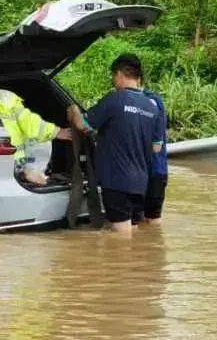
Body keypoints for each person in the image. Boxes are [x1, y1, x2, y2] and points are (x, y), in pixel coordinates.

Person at [67, 54, 164, 234]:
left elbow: (83, 125)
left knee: (120, 236)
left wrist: (73, 110)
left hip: (117, 181)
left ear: (119, 74)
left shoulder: (115, 99)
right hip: (141, 182)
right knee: (133, 229)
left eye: (114, 76)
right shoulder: (151, 107)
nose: (113, 80)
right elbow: (155, 146)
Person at [0, 85, 71, 186]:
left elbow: (28, 122)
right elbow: (29, 122)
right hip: (14, 162)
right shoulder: (4, 97)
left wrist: (55, 132)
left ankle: (30, 173)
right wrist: (56, 132)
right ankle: (30, 173)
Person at [142, 88, 168, 223]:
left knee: (152, 220)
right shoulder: (152, 100)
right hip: (151, 171)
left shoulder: (152, 102)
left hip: (153, 171)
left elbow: (156, 147)